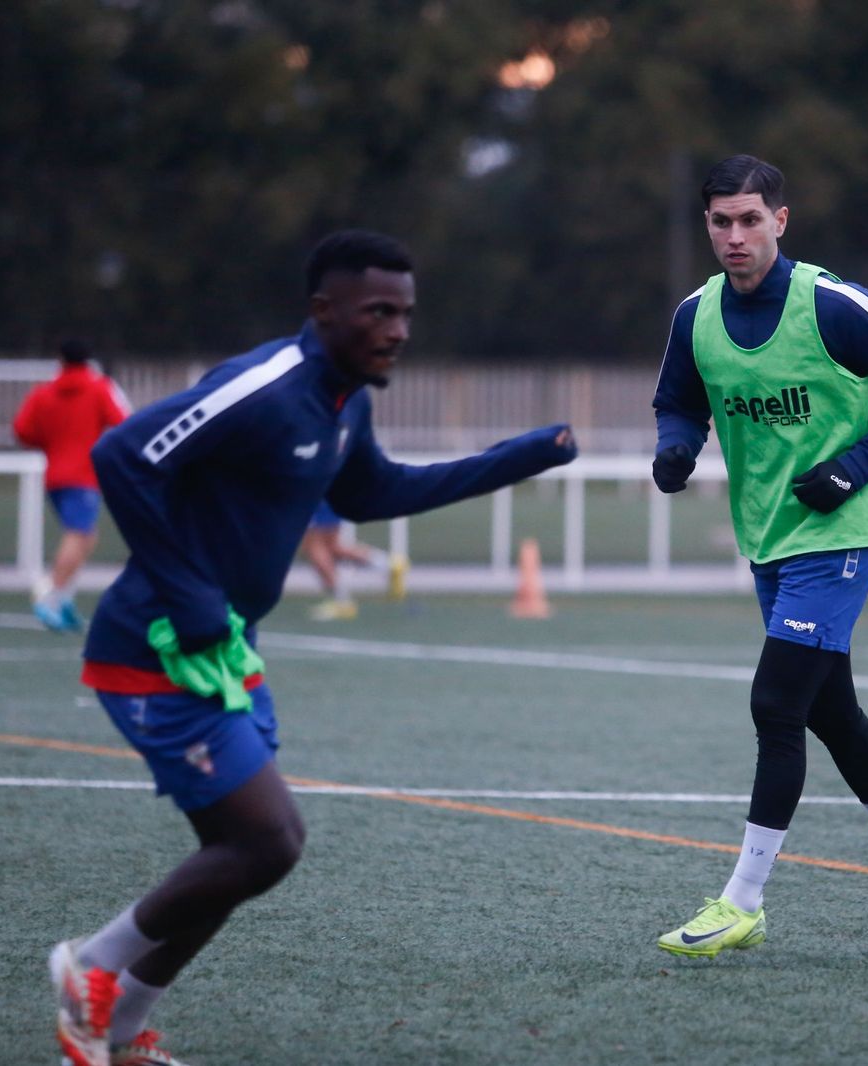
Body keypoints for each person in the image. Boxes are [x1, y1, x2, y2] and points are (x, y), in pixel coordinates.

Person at [47, 230, 578, 1066]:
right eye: (378, 312)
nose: (398, 329)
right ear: (323, 310)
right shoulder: (265, 387)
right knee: (267, 841)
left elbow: (371, 490)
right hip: (155, 650)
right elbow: (121, 455)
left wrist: (510, 462)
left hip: (226, 654)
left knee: (241, 856)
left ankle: (116, 1032)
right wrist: (188, 597)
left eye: (405, 313)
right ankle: (91, 967)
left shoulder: (345, 399)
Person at [650, 155, 868, 959]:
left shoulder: (831, 304)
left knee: (776, 706)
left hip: (842, 535)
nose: (735, 236)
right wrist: (676, 448)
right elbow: (679, 398)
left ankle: (742, 901)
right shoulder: (697, 316)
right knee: (830, 711)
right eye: (720, 221)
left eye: (750, 219)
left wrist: (857, 465)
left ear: (780, 221)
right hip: (770, 542)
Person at [11, 339, 132, 631]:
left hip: (54, 475)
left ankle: (64, 599)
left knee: (86, 537)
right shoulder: (98, 388)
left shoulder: (44, 392)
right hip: (85, 475)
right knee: (79, 535)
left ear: (60, 359)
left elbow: (22, 430)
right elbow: (122, 423)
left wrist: (51, 443)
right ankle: (49, 594)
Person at [298, 499, 389, 621]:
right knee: (332, 545)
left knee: (314, 547)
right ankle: (389, 563)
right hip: (331, 493)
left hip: (318, 494)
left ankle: (342, 601)